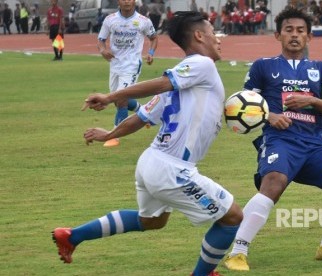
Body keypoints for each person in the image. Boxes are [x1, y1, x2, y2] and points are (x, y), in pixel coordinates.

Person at [52, 11, 243, 276]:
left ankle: (71, 236)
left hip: (151, 162)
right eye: (213, 32)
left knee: (151, 221)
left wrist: (109, 134)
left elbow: (140, 118)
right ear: (199, 36)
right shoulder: (202, 65)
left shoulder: (182, 80)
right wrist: (110, 97)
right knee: (233, 217)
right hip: (173, 168)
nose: (218, 39)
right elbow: (162, 84)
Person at [223, 6, 322, 271]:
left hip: (315, 147)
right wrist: (271, 116)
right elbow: (239, 104)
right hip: (280, 142)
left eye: (300, 31)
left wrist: (311, 100)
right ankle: (238, 251)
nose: (295, 35)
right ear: (278, 35)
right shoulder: (263, 67)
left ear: (309, 37)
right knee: (273, 183)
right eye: (289, 30)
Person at [96, 0, 158, 147]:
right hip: (115, 65)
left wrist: (150, 52)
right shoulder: (110, 20)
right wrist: (103, 50)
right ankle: (144, 111)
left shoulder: (143, 21)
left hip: (132, 65)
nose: (127, 2)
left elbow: (154, 38)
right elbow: (101, 40)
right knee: (117, 100)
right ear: (119, 1)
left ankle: (114, 136)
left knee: (121, 98)